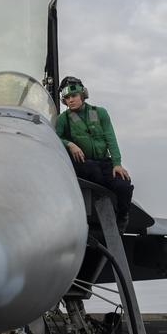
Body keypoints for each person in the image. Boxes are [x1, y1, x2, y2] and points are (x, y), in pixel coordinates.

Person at [54, 76, 133, 232]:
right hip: (85, 164)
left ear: (82, 95)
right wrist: (70, 144)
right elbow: (55, 137)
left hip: (104, 162)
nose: (71, 100)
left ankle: (122, 216)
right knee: (92, 169)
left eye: (74, 96)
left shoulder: (100, 113)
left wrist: (117, 163)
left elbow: (110, 137)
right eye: (67, 98)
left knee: (124, 186)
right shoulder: (64, 119)